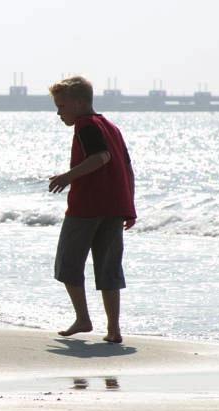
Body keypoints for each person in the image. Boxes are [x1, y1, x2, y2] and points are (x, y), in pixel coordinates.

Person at [47, 76, 136, 344]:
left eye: (62, 106)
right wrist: (129, 206)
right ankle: (113, 329)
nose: (59, 112)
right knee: (109, 268)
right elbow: (126, 167)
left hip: (86, 207)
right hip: (114, 207)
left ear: (79, 103)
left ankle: (83, 318)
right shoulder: (111, 126)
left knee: (68, 263)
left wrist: (67, 177)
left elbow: (101, 158)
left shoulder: (85, 125)